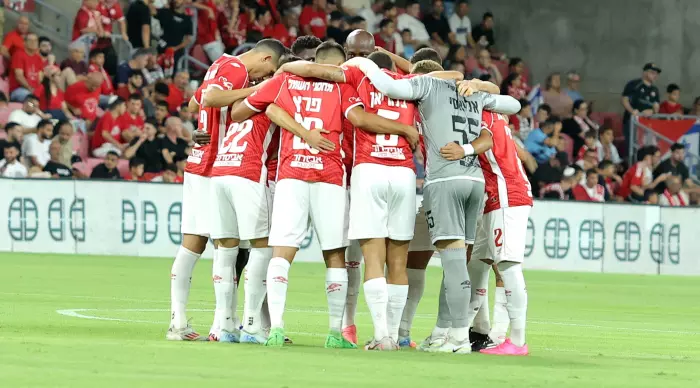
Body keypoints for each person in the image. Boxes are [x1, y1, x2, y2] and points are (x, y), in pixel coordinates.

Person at [231, 41, 421, 350]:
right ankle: (336, 332)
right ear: (338, 66)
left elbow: (241, 111)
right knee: (335, 255)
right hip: (331, 176)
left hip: (292, 175)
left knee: (282, 252)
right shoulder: (344, 88)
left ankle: (276, 327)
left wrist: (278, 108)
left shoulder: (284, 80)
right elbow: (358, 119)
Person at [342, 54, 519, 354]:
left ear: (422, 76)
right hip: (474, 181)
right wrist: (477, 83)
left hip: (444, 180)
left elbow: (388, 85)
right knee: (460, 261)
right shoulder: (472, 92)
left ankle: (459, 336)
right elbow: (512, 105)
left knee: (452, 265)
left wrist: (361, 62)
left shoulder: (426, 87)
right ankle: (448, 332)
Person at [167, 39, 286, 342]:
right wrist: (257, 90)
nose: (263, 77)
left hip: (200, 162)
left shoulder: (218, 64)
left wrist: (202, 126)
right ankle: (224, 325)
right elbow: (213, 97)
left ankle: (178, 322)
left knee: (193, 244)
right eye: (267, 70)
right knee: (227, 246)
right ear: (266, 57)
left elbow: (196, 103)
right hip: (219, 163)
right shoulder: (236, 68)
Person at [464, 111, 532, 355]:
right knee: (477, 262)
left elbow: (486, 140)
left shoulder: (484, 116)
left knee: (508, 267)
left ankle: (516, 341)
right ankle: (474, 330)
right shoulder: (498, 116)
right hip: (496, 199)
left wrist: (463, 150)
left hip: (506, 198)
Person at [621, 63, 661, 145]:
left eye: (656, 73)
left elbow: (656, 108)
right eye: (652, 73)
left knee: (646, 146)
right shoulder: (633, 84)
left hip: (647, 124)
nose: (655, 75)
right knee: (632, 145)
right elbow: (624, 100)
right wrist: (632, 111)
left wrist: (652, 111)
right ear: (645, 72)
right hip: (632, 121)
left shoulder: (655, 89)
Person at [156, 0, 193, 72]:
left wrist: (175, 48)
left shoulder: (187, 20)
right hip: (161, 48)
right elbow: (152, 12)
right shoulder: (165, 12)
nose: (176, 1)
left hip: (175, 53)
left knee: (171, 74)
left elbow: (188, 39)